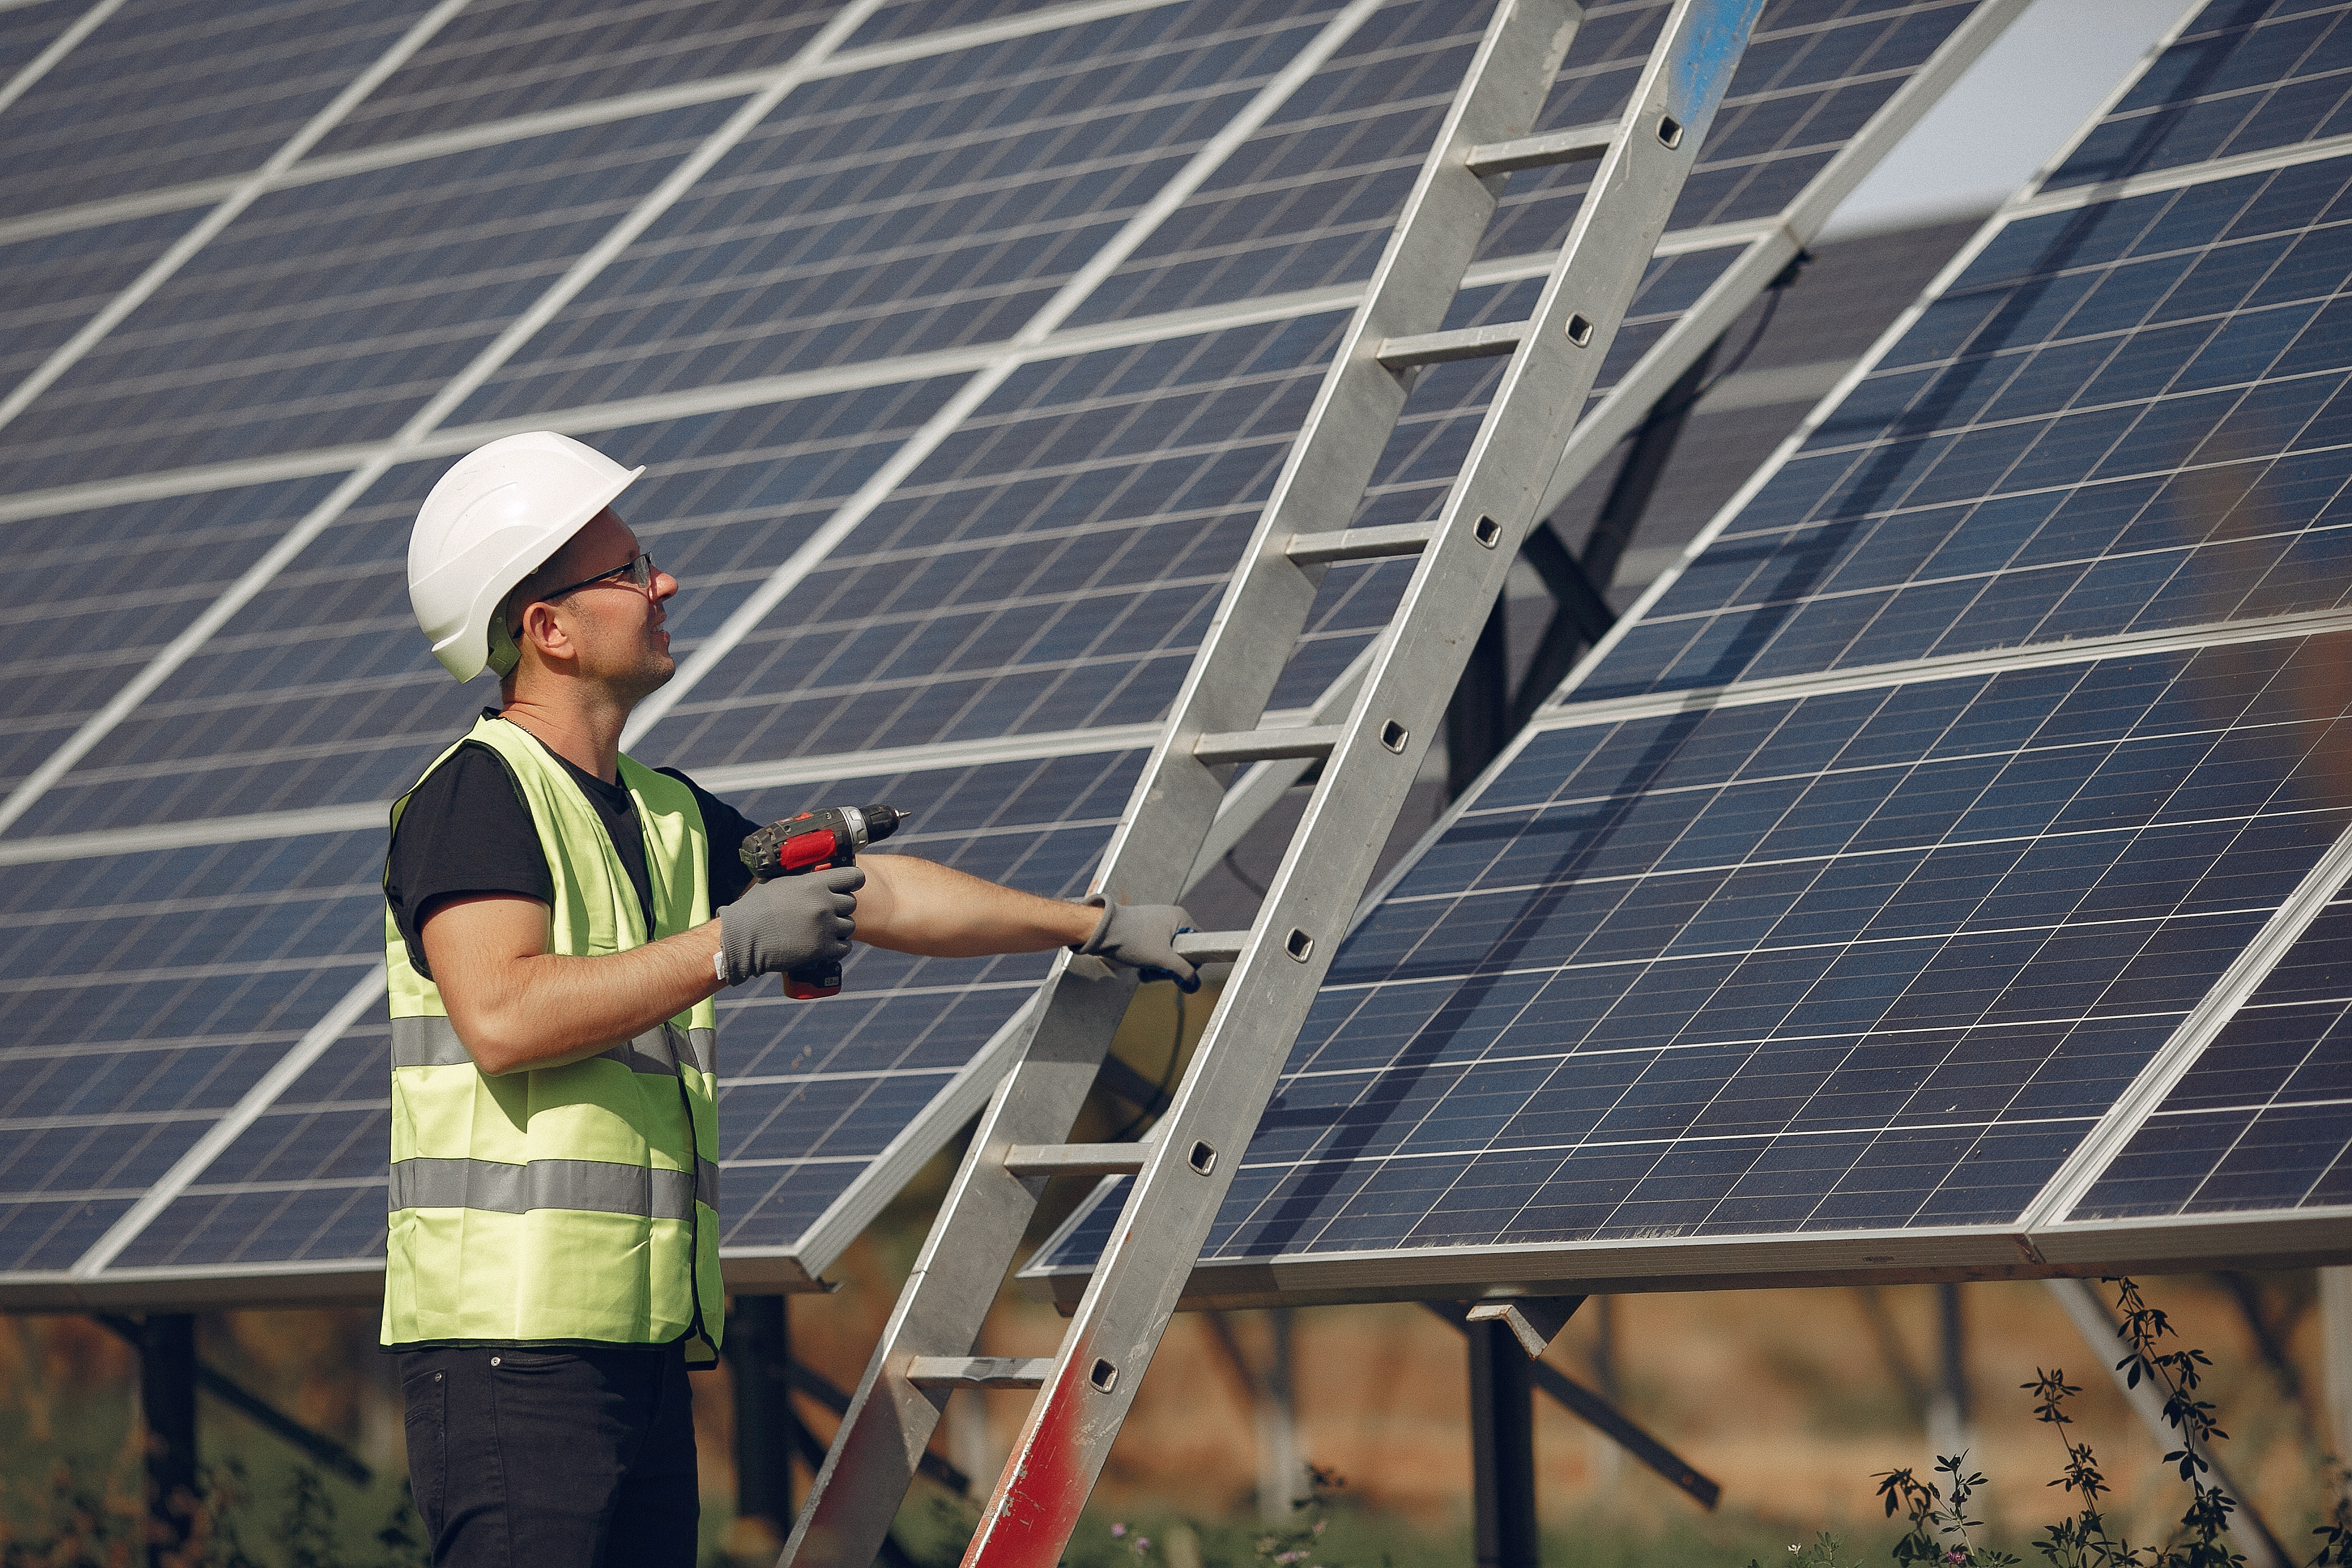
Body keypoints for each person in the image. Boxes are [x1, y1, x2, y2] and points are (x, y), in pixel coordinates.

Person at [384, 431, 1194, 1567]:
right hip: (514, 1355)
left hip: (639, 1343)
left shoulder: (661, 811)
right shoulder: (477, 798)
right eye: (625, 572)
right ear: (548, 631)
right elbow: (504, 1016)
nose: (661, 583)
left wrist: (1091, 924)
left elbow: (874, 895)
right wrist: (727, 946)